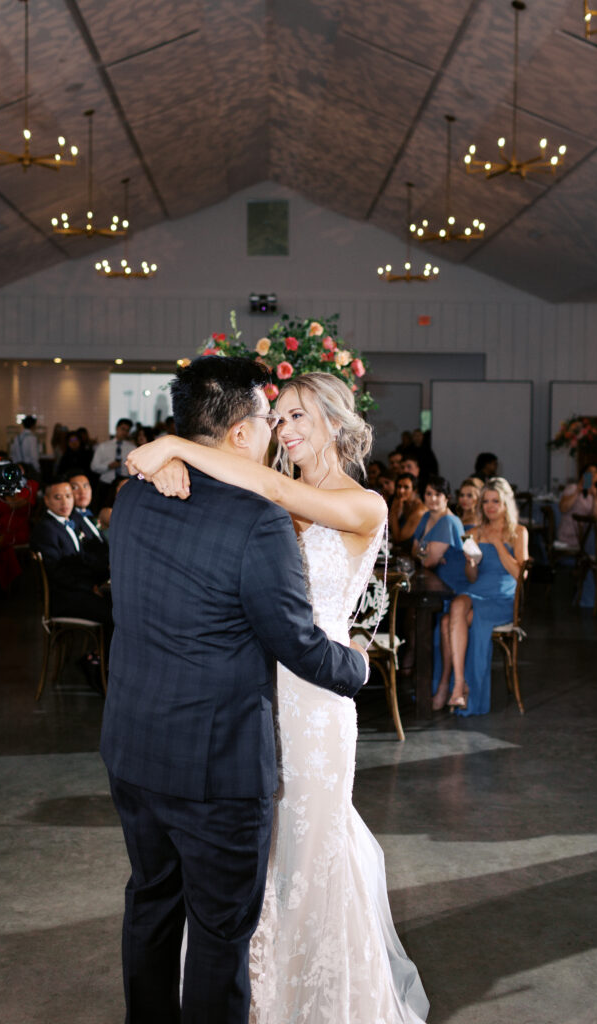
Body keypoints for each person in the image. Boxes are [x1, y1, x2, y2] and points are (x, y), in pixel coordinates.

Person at [127, 368, 429, 1024]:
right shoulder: (272, 497)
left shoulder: (363, 505)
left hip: (315, 699)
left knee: (307, 850)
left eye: (298, 417)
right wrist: (163, 463)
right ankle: (247, 995)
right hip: (250, 692)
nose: (285, 431)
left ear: (336, 426)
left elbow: (256, 478)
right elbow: (237, 495)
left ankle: (311, 1000)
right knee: (248, 860)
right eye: (279, 417)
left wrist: (170, 447)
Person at [445, 478, 528, 714]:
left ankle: (455, 688)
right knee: (459, 604)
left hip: (503, 599)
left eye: (496, 501)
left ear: (505, 503)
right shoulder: (471, 533)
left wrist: (497, 544)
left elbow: (519, 576)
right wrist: (471, 563)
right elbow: (471, 577)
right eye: (486, 502)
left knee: (446, 623)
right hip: (476, 591)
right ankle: (459, 683)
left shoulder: (519, 532)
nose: (490, 506)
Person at [409, 477, 468, 711]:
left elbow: (429, 560)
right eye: (428, 494)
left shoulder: (449, 521)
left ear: (447, 498)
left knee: (423, 620)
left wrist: (425, 554)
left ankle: (442, 687)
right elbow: (414, 551)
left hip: (452, 588)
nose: (432, 499)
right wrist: (425, 554)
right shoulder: (426, 517)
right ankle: (428, 685)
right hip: (434, 583)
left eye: (438, 494)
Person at [30, 477, 112, 628]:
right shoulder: (46, 529)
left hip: (78, 589)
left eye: (68, 496)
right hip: (65, 597)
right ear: (46, 501)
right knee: (115, 612)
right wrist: (90, 587)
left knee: (119, 603)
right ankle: (99, 652)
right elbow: (56, 571)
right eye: (57, 497)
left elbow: (81, 560)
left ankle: (98, 651)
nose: (64, 502)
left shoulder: (68, 523)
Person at [557, 463, 597, 547]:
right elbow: (563, 508)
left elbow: (596, 517)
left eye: (595, 472)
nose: (592, 475)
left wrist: (595, 497)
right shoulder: (573, 488)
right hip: (569, 532)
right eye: (589, 472)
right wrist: (578, 491)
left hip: (588, 535)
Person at [389, 472, 426, 550]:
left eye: (406, 487)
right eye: (399, 486)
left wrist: (394, 511)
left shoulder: (419, 511)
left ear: (415, 490)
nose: (401, 491)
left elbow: (398, 539)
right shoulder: (403, 504)